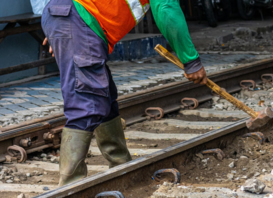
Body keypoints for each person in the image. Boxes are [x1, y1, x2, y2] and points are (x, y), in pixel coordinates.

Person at [41, 0, 207, 186]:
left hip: (71, 16)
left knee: (105, 97)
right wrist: (190, 60)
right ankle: (69, 188)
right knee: (87, 103)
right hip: (78, 16)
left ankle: (121, 167)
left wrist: (61, 27)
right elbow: (166, 8)